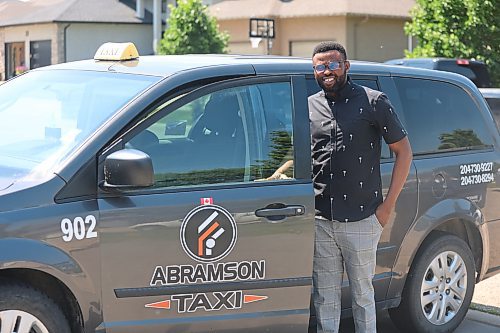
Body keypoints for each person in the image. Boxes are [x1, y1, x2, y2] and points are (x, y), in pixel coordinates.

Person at [309, 41, 412, 333]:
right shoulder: (310, 106)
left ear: (346, 66)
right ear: (314, 70)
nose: (326, 71)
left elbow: (403, 152)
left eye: (333, 64)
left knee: (363, 296)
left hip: (363, 218)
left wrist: (386, 208)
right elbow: (305, 155)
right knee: (325, 296)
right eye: (320, 66)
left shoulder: (373, 101)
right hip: (321, 220)